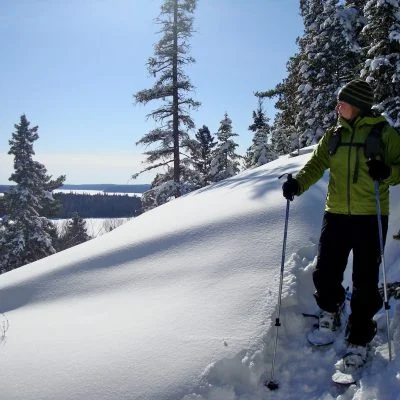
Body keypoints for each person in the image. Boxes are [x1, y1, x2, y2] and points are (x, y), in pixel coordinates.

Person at [282, 79, 400, 371]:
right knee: (326, 269)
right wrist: (297, 183)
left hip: (370, 215)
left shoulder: (383, 133)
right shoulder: (333, 135)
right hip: (335, 213)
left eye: (342, 102)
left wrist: (386, 172)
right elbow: (316, 164)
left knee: (365, 277)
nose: (337, 106)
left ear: (357, 105)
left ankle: (360, 335)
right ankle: (331, 311)